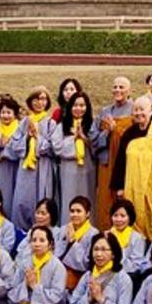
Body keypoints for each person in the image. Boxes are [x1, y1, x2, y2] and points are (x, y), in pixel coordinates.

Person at [110, 95, 152, 240]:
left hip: (151, 187)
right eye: (135, 110)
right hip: (131, 187)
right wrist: (119, 186)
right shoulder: (129, 133)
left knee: (151, 220)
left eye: (142, 109)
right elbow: (121, 161)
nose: (138, 113)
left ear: (151, 111)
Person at [52, 91, 98, 221]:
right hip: (68, 170)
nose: (79, 109)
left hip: (88, 170)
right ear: (70, 107)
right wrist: (73, 140)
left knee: (88, 199)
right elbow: (57, 148)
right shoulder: (62, 126)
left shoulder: (92, 125)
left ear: (87, 107)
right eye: (75, 105)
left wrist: (84, 139)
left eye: (82, 105)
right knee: (69, 198)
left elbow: (97, 148)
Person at [13, 87, 54, 230]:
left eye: (43, 99)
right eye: (36, 99)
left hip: (42, 166)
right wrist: (27, 137)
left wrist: (38, 137)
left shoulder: (50, 123)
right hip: (25, 168)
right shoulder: (24, 122)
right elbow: (15, 145)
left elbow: (51, 148)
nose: (39, 103)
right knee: (22, 201)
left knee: (40, 198)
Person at [95, 76, 134, 222]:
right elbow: (94, 136)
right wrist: (108, 132)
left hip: (125, 163)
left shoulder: (134, 111)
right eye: (115, 87)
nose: (117, 90)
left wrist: (117, 130)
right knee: (105, 199)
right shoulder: (105, 112)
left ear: (129, 90)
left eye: (121, 87)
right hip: (106, 162)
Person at [0, 97, 26, 221]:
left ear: (15, 114)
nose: (5, 116)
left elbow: (21, 151)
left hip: (15, 171)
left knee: (13, 201)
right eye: (3, 112)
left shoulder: (19, 132)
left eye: (8, 112)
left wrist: (6, 151)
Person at [58, 196, 99, 290]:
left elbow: (86, 263)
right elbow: (56, 254)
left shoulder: (93, 233)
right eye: (72, 211)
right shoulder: (64, 229)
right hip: (60, 273)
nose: (74, 214)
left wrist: (73, 242)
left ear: (87, 213)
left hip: (79, 278)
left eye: (78, 211)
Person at [107, 197, 149, 278]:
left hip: (128, 276)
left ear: (130, 218)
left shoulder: (137, 238)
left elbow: (137, 265)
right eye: (115, 215)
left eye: (123, 216)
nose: (118, 219)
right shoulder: (106, 235)